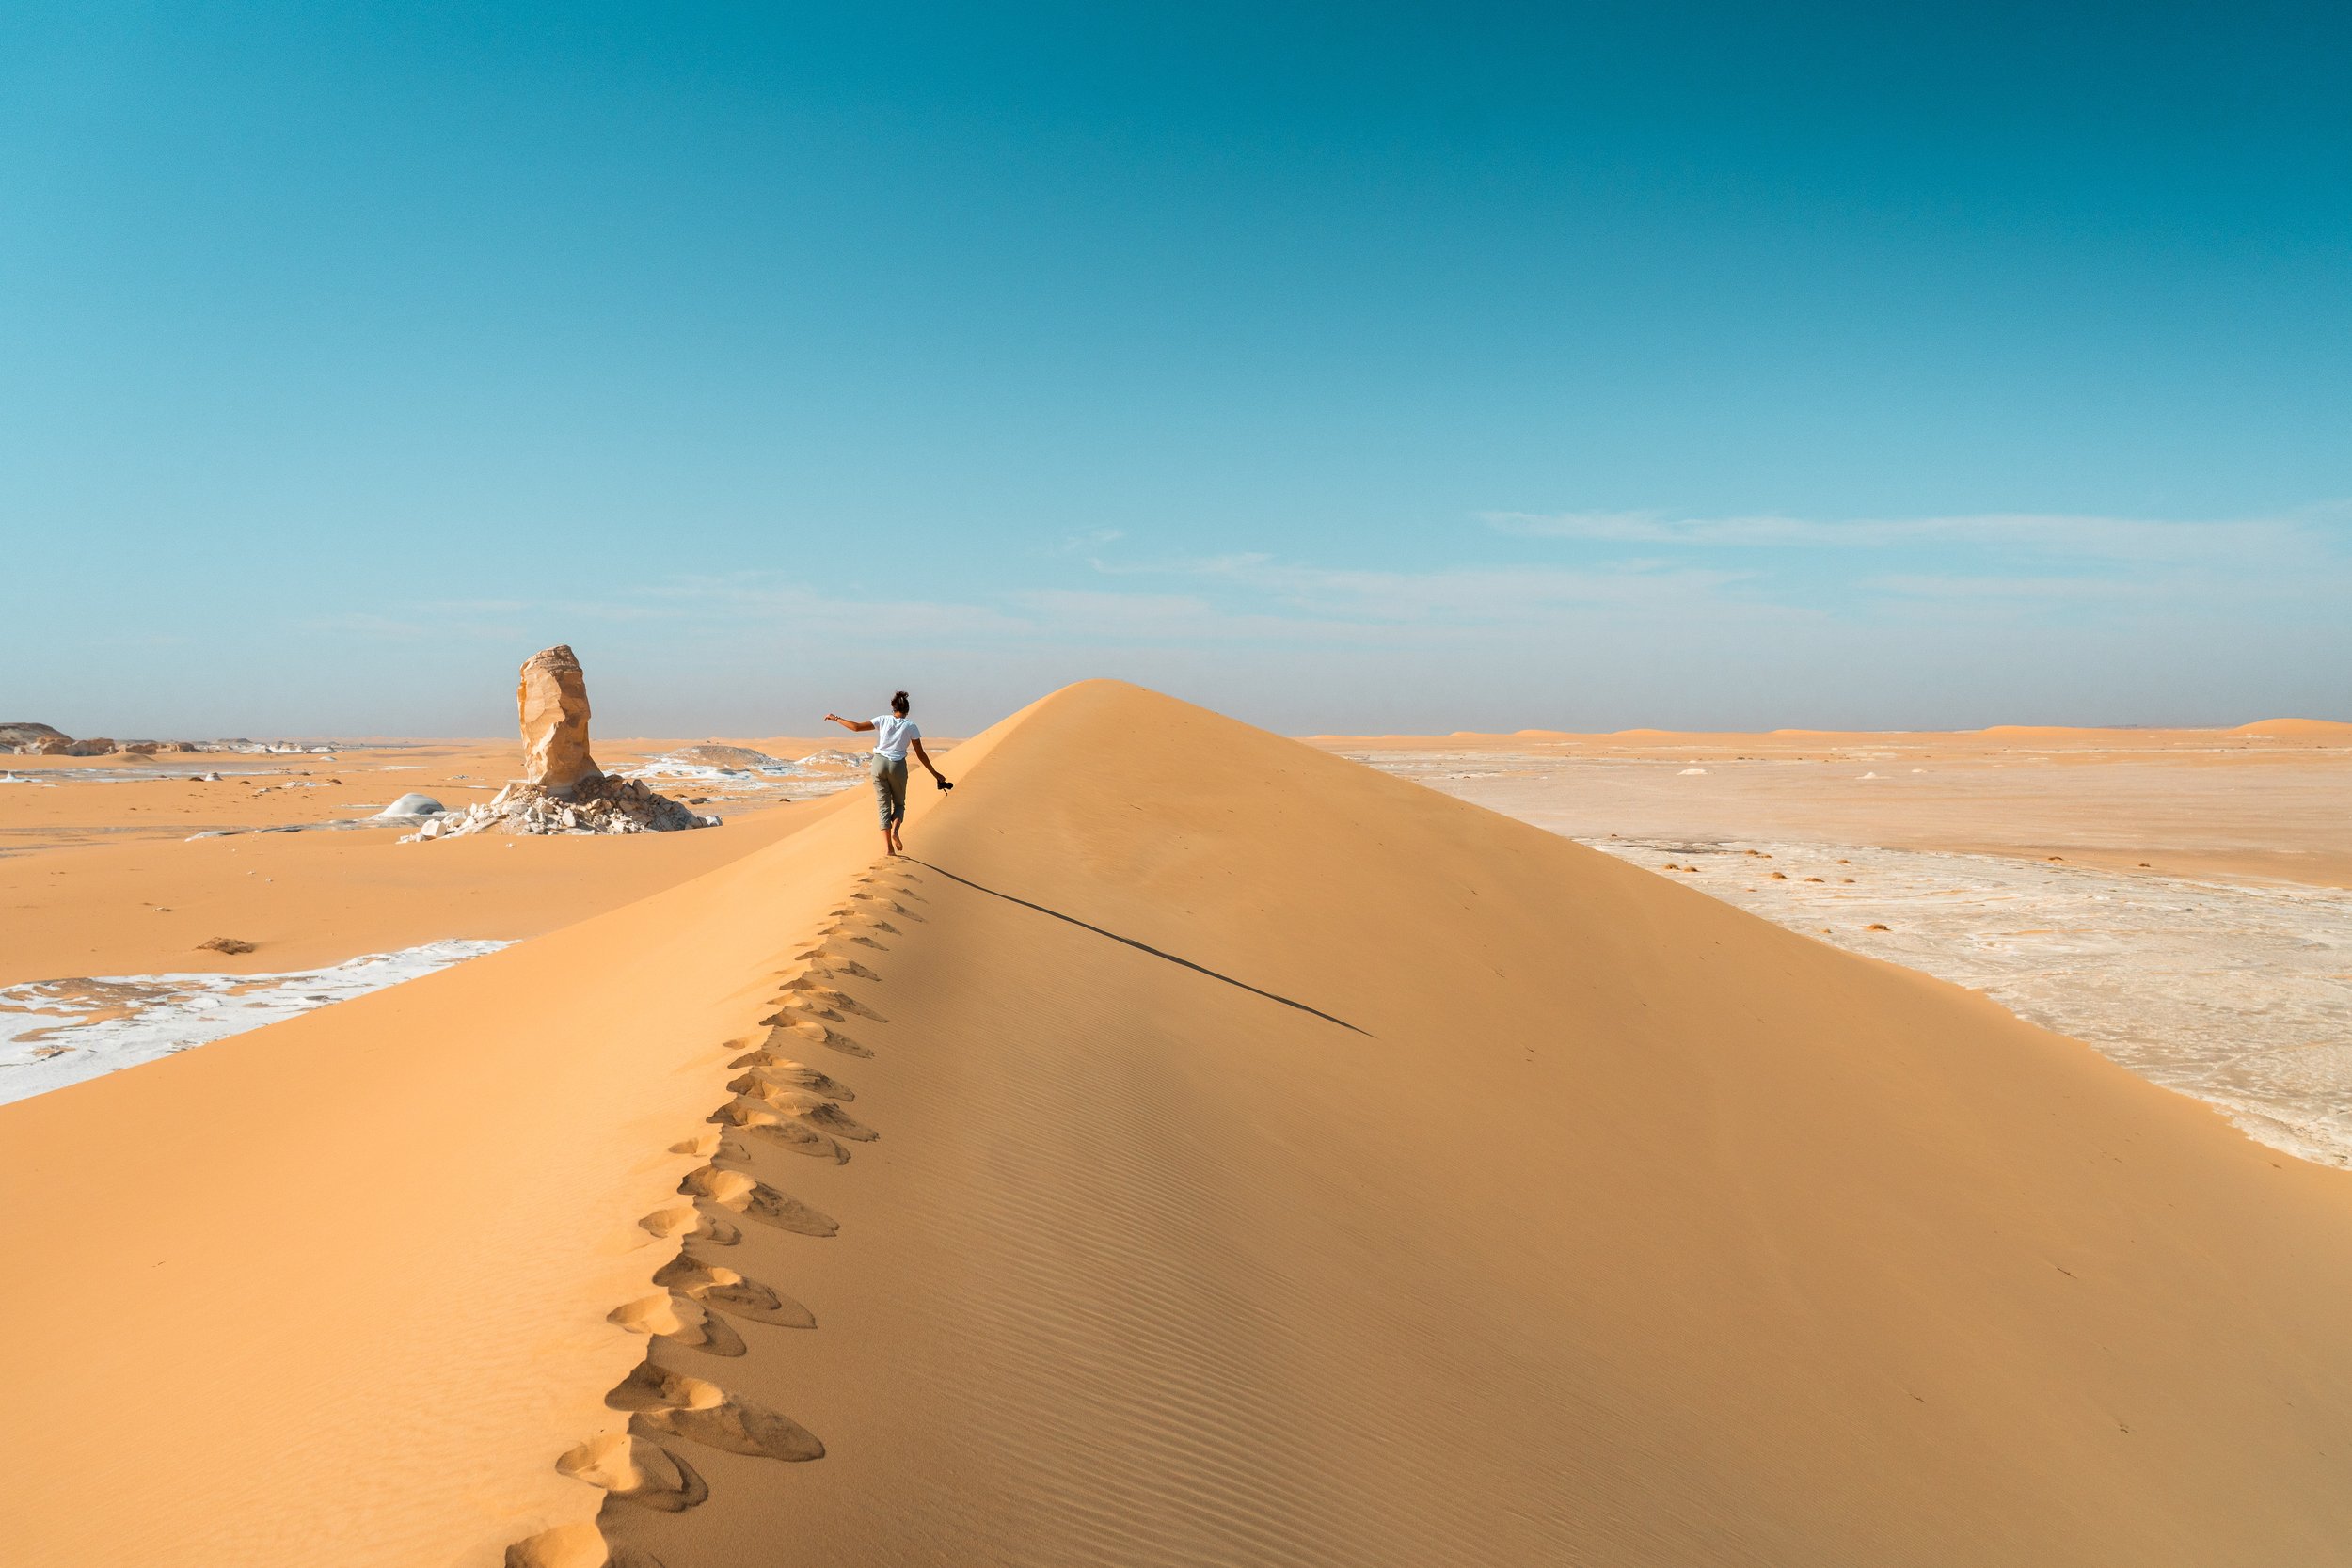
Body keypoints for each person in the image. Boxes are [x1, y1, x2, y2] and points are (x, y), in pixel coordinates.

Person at [824, 690, 951, 856]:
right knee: (899, 804)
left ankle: (889, 849)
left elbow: (856, 728)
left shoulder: (882, 720)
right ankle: (896, 832)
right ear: (907, 710)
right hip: (897, 766)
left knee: (883, 807)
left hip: (878, 764)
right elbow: (920, 754)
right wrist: (936, 774)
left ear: (893, 707)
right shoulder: (911, 726)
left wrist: (835, 718)